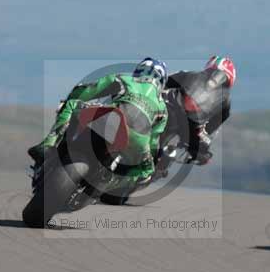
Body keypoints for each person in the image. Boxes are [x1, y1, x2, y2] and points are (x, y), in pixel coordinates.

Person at [28, 57, 168, 192]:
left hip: (113, 118)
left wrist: (72, 97)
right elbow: (153, 142)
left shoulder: (124, 78)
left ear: (139, 70)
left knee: (71, 104)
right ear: (162, 82)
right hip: (139, 141)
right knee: (145, 173)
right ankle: (111, 183)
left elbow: (86, 92)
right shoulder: (163, 109)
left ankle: (48, 144)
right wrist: (146, 162)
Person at [160, 55, 236, 168]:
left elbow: (210, 130)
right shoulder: (190, 75)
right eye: (215, 75)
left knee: (168, 160)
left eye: (222, 80)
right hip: (168, 108)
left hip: (188, 126)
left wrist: (202, 148)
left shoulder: (224, 105)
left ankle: (158, 166)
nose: (215, 81)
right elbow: (162, 82)